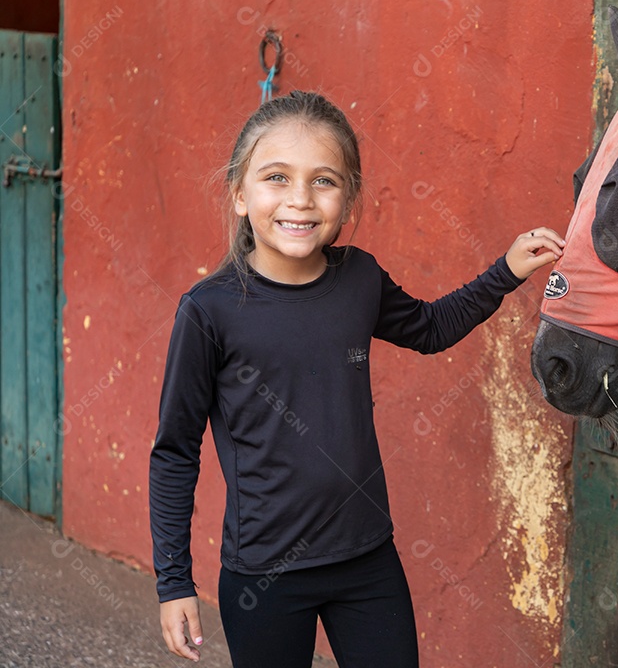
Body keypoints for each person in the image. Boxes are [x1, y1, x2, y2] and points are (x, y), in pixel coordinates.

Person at [149, 90, 564, 667]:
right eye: (275, 177)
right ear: (240, 195)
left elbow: (429, 327)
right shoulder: (210, 310)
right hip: (264, 573)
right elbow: (175, 451)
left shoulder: (359, 278)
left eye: (324, 180)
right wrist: (174, 582)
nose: (300, 199)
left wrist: (506, 271)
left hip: (367, 560)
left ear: (349, 200)